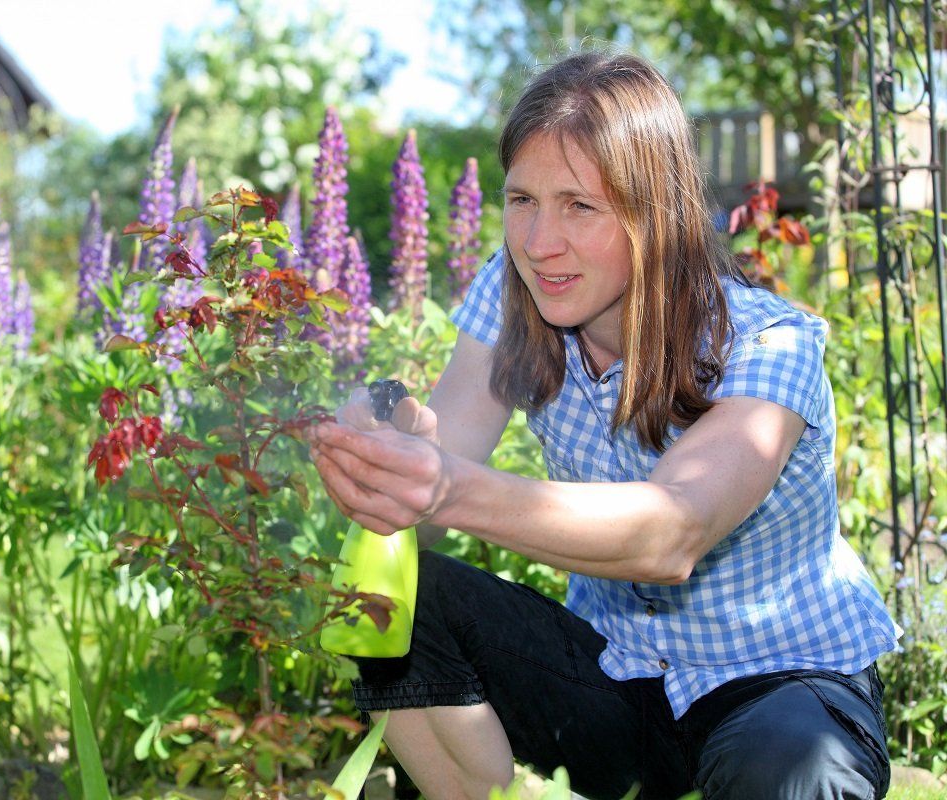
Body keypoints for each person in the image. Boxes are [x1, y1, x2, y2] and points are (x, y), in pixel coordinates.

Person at [309, 50, 900, 800]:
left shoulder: (767, 344)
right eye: (522, 199)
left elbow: (672, 532)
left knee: (789, 770)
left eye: (578, 206)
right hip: (619, 676)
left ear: (657, 213)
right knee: (384, 602)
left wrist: (443, 487)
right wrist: (388, 455)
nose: (538, 241)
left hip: (779, 685)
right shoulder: (518, 291)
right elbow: (430, 489)